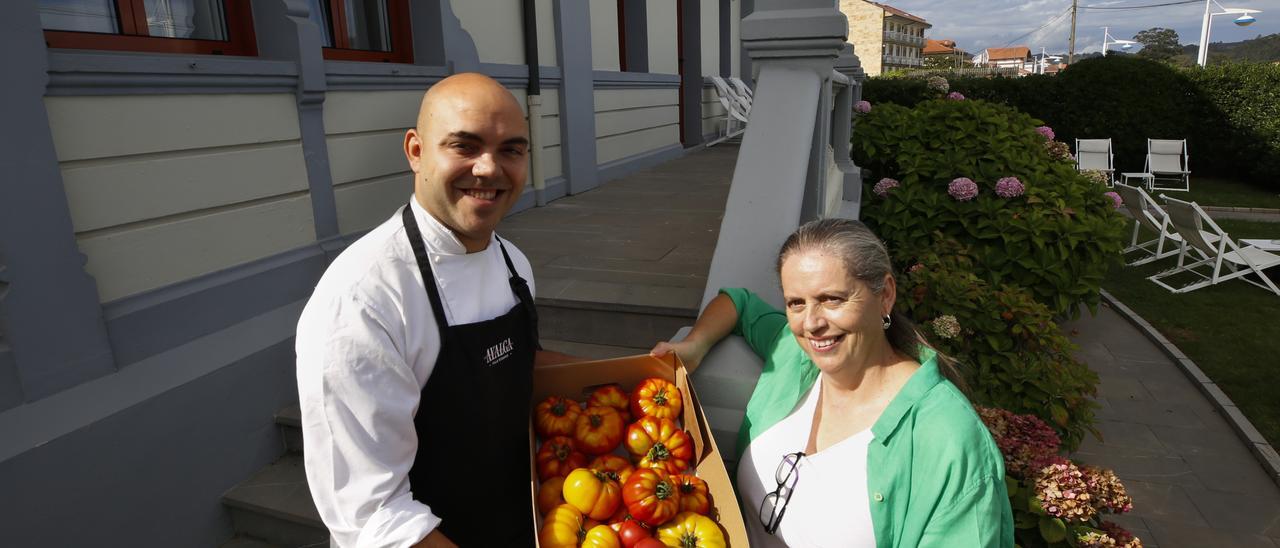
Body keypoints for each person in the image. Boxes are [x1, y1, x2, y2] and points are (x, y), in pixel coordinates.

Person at [296, 73, 576, 548]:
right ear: (416, 151)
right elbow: (375, 517)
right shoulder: (362, 301)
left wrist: (641, 375)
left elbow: (516, 368)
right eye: (464, 146)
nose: (489, 169)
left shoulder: (513, 263)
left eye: (511, 149)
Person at [651, 218, 1013, 548]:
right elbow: (738, 303)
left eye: (832, 299)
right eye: (796, 303)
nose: (811, 324)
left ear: (885, 294)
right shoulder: (795, 356)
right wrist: (695, 346)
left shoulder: (948, 438)